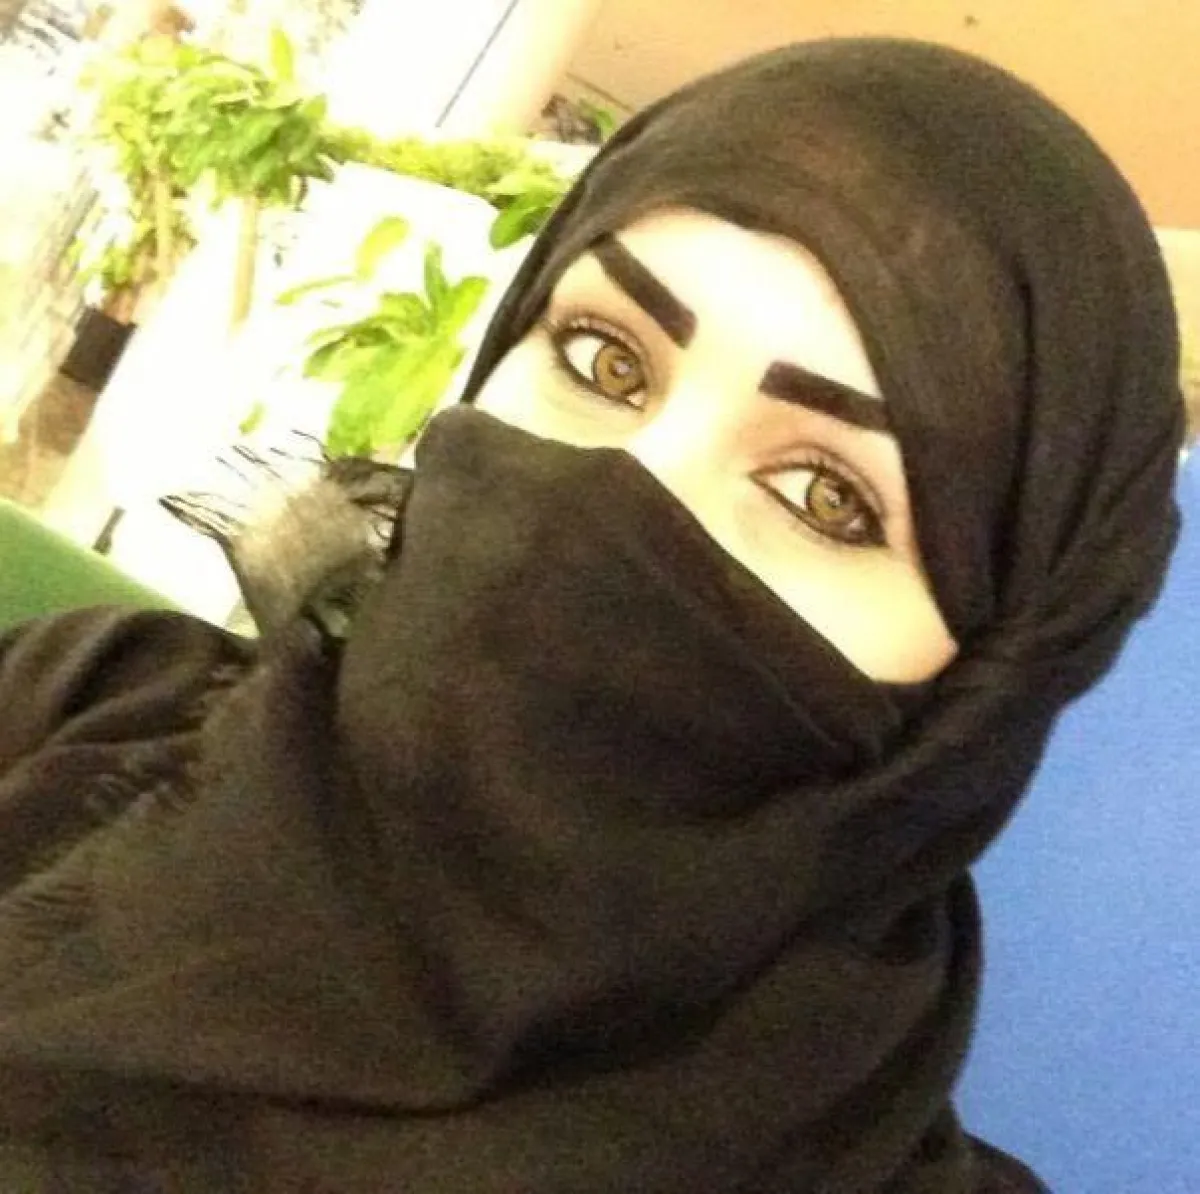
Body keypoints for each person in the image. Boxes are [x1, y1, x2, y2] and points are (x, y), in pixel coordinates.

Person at [0, 37, 1184, 1193]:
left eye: (827, 496)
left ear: (988, 681)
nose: (625, 490)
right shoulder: (89, 700)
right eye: (605, 358)